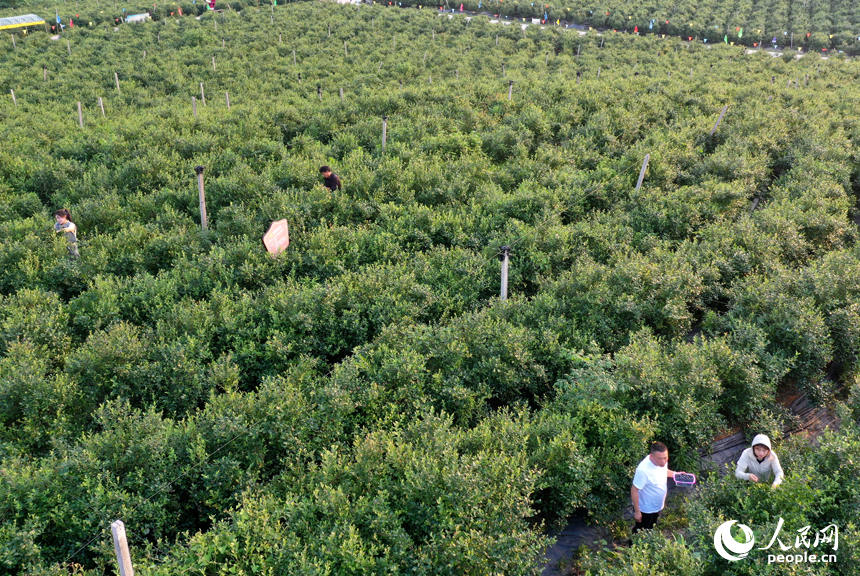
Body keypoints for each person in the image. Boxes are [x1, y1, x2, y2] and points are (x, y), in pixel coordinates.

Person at [631, 442, 680, 534]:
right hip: (645, 509)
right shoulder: (643, 471)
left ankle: (647, 545)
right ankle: (632, 546)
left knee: (651, 528)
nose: (663, 462)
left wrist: (676, 475)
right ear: (651, 456)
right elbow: (634, 490)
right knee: (641, 532)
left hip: (656, 506)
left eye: (666, 458)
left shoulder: (662, 461)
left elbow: (663, 471)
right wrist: (637, 512)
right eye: (660, 459)